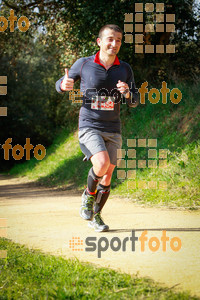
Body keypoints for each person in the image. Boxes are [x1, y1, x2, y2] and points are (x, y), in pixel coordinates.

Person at [56, 24, 139, 232]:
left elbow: (134, 101)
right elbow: (64, 81)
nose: (114, 43)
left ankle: (96, 216)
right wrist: (63, 84)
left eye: (118, 40)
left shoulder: (125, 69)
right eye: (110, 39)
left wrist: (128, 93)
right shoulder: (84, 64)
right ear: (99, 42)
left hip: (113, 127)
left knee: (108, 174)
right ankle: (87, 196)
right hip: (89, 125)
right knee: (101, 164)